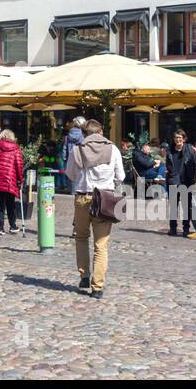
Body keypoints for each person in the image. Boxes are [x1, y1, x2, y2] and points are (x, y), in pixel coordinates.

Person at [64, 118, 124, 298]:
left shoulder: (77, 149)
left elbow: (70, 174)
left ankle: (84, 275)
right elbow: (120, 175)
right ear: (101, 132)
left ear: (84, 133)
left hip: (83, 197)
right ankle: (97, 287)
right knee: (101, 245)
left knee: (81, 238)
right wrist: (109, 182)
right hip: (104, 198)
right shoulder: (113, 149)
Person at [165, 129, 196, 237]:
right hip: (173, 181)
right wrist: (171, 177)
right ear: (173, 139)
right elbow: (168, 166)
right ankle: (173, 228)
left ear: (184, 139)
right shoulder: (170, 150)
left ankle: (186, 229)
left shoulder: (189, 149)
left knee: (186, 206)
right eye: (176, 138)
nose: (178, 139)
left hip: (186, 181)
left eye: (180, 137)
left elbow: (195, 165)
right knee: (174, 207)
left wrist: (193, 179)